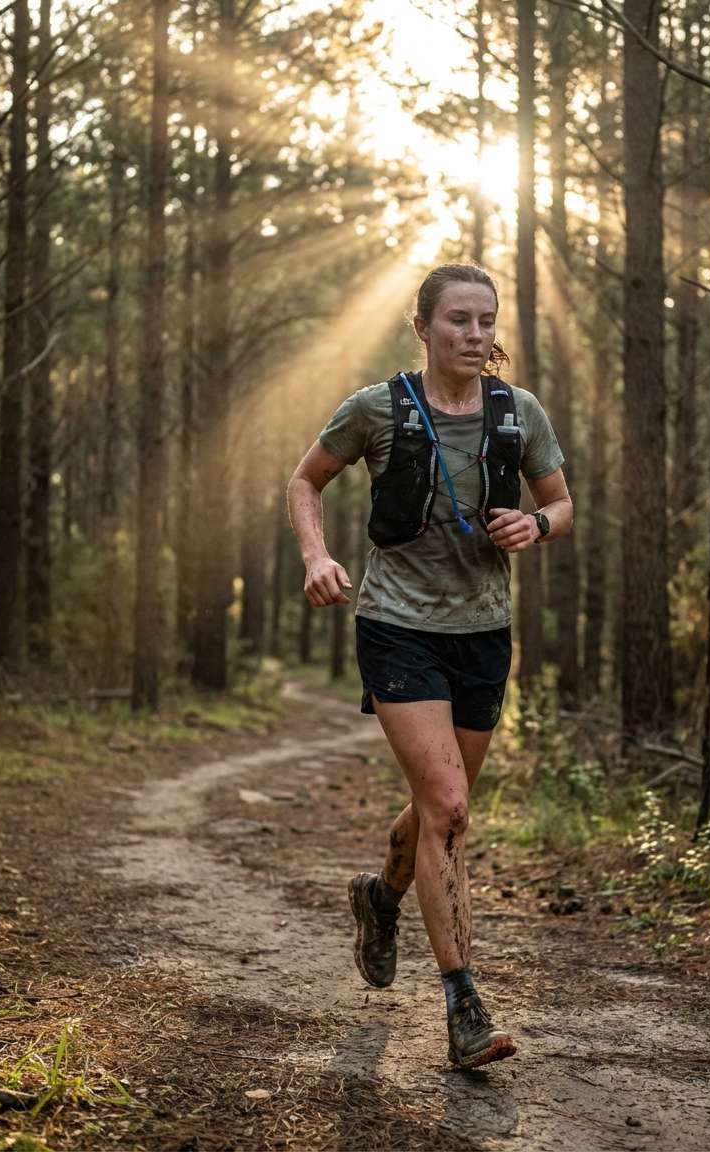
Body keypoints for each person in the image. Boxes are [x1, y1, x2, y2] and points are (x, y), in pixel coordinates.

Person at [286, 262, 572, 1070]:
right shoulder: (378, 408)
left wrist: (536, 526)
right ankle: (464, 1008)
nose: (476, 336)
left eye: (486, 321)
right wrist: (317, 556)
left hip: (484, 632)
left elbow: (561, 500)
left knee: (438, 812)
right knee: (448, 804)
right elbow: (305, 480)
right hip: (396, 627)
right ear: (423, 326)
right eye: (458, 320)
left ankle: (380, 897)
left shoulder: (520, 414)